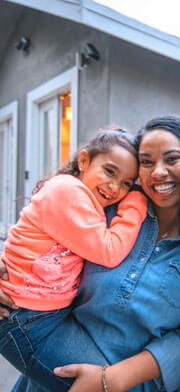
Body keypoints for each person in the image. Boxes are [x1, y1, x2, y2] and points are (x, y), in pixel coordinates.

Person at [0, 115, 180, 392]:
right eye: (146, 162)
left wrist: (112, 379)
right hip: (48, 371)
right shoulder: (107, 212)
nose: (157, 172)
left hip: (136, 386)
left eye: (172, 159)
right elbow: (38, 240)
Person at [0, 128, 147, 378]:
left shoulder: (82, 197)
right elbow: (109, 250)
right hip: (23, 316)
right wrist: (136, 202)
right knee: (100, 383)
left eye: (126, 183)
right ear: (84, 161)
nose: (114, 187)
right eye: (109, 171)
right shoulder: (68, 192)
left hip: (44, 315)